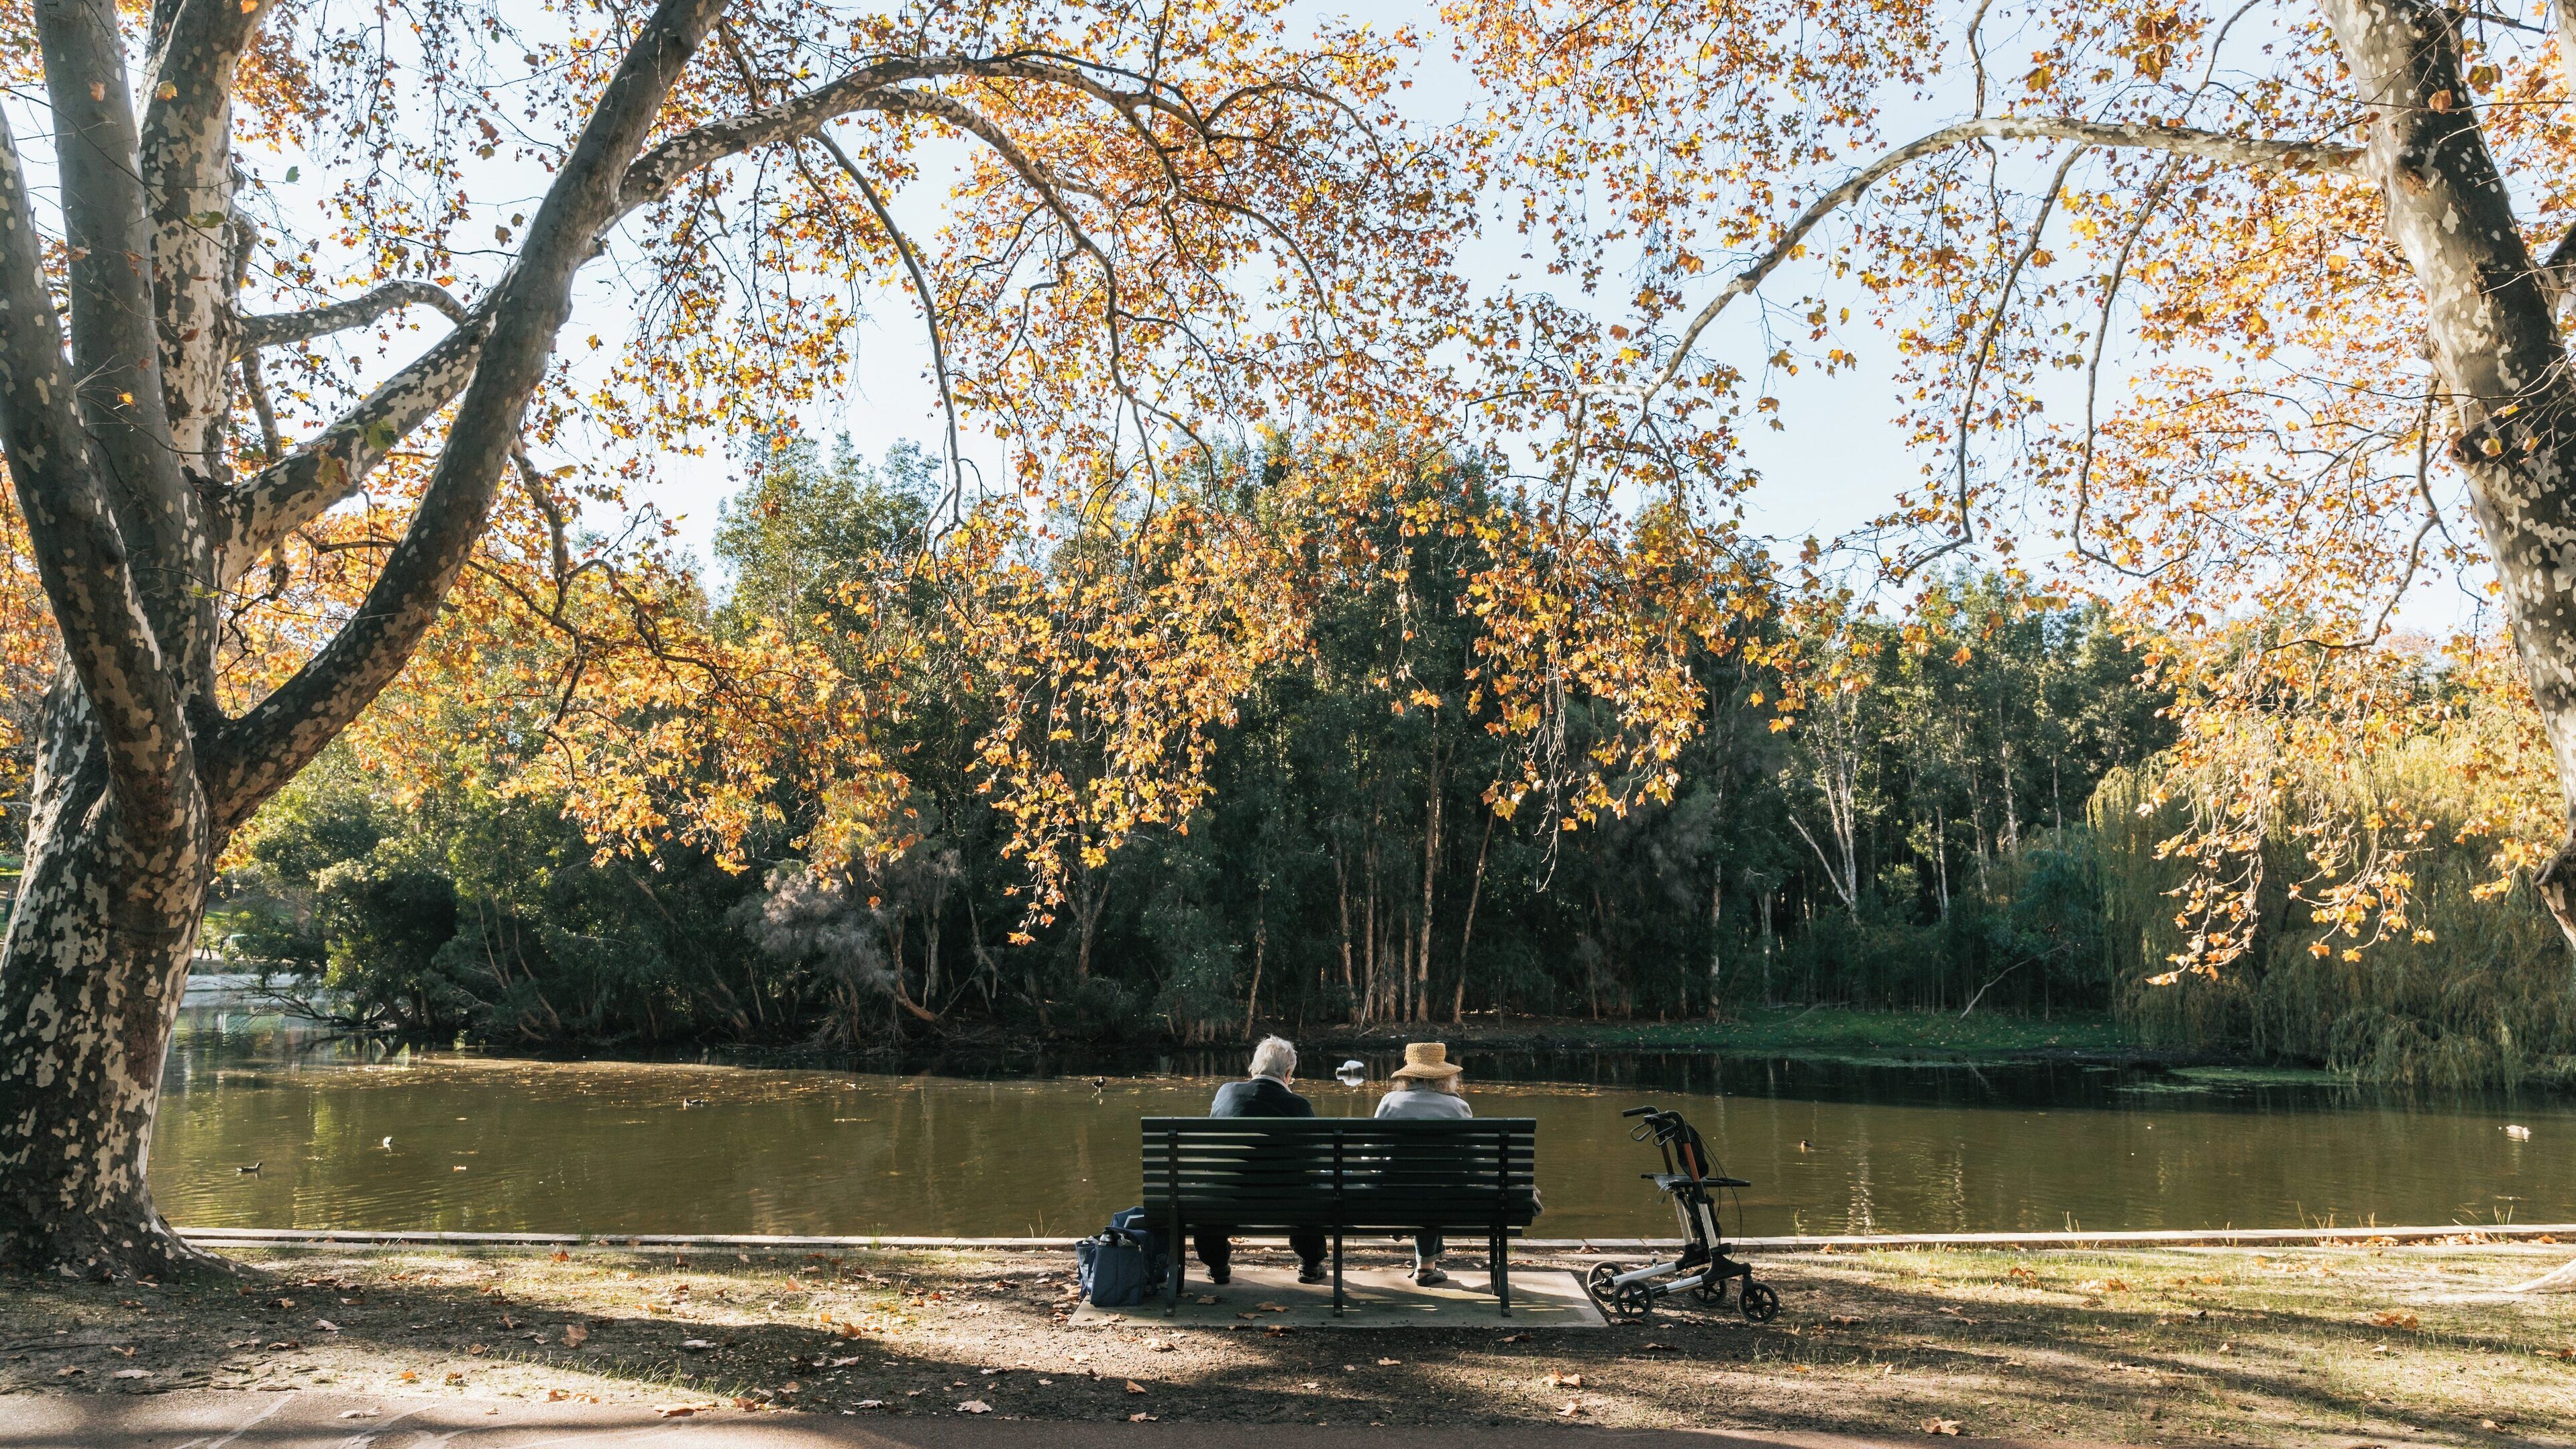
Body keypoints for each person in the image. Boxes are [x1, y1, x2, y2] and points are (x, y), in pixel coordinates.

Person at [1199, 1035, 1328, 1285]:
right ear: (1288, 1073)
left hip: (1228, 1199)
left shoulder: (1226, 1094)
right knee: (1310, 1188)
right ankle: (1311, 1263)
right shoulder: (1299, 1106)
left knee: (1212, 1187)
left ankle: (1217, 1264)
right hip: (1286, 1202)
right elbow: (1314, 1162)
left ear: (1254, 1068)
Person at [1375, 1041, 1472, 1285]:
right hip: (1442, 1199)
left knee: (1418, 1185)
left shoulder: (1389, 1102)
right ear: (1444, 1075)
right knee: (1435, 1186)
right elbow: (1473, 1162)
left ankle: (1423, 1262)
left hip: (1395, 1195)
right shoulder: (1457, 1107)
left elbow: (1371, 1155)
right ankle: (1426, 1267)